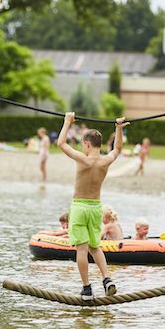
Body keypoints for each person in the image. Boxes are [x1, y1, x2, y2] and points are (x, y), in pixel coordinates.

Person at [57, 112, 127, 300]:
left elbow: (61, 143)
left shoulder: (83, 159)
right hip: (96, 207)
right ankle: (106, 279)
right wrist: (118, 128)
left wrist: (67, 122)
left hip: (79, 207)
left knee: (81, 249)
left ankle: (87, 288)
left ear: (87, 144)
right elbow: (118, 149)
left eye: (82, 144)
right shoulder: (105, 161)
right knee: (95, 247)